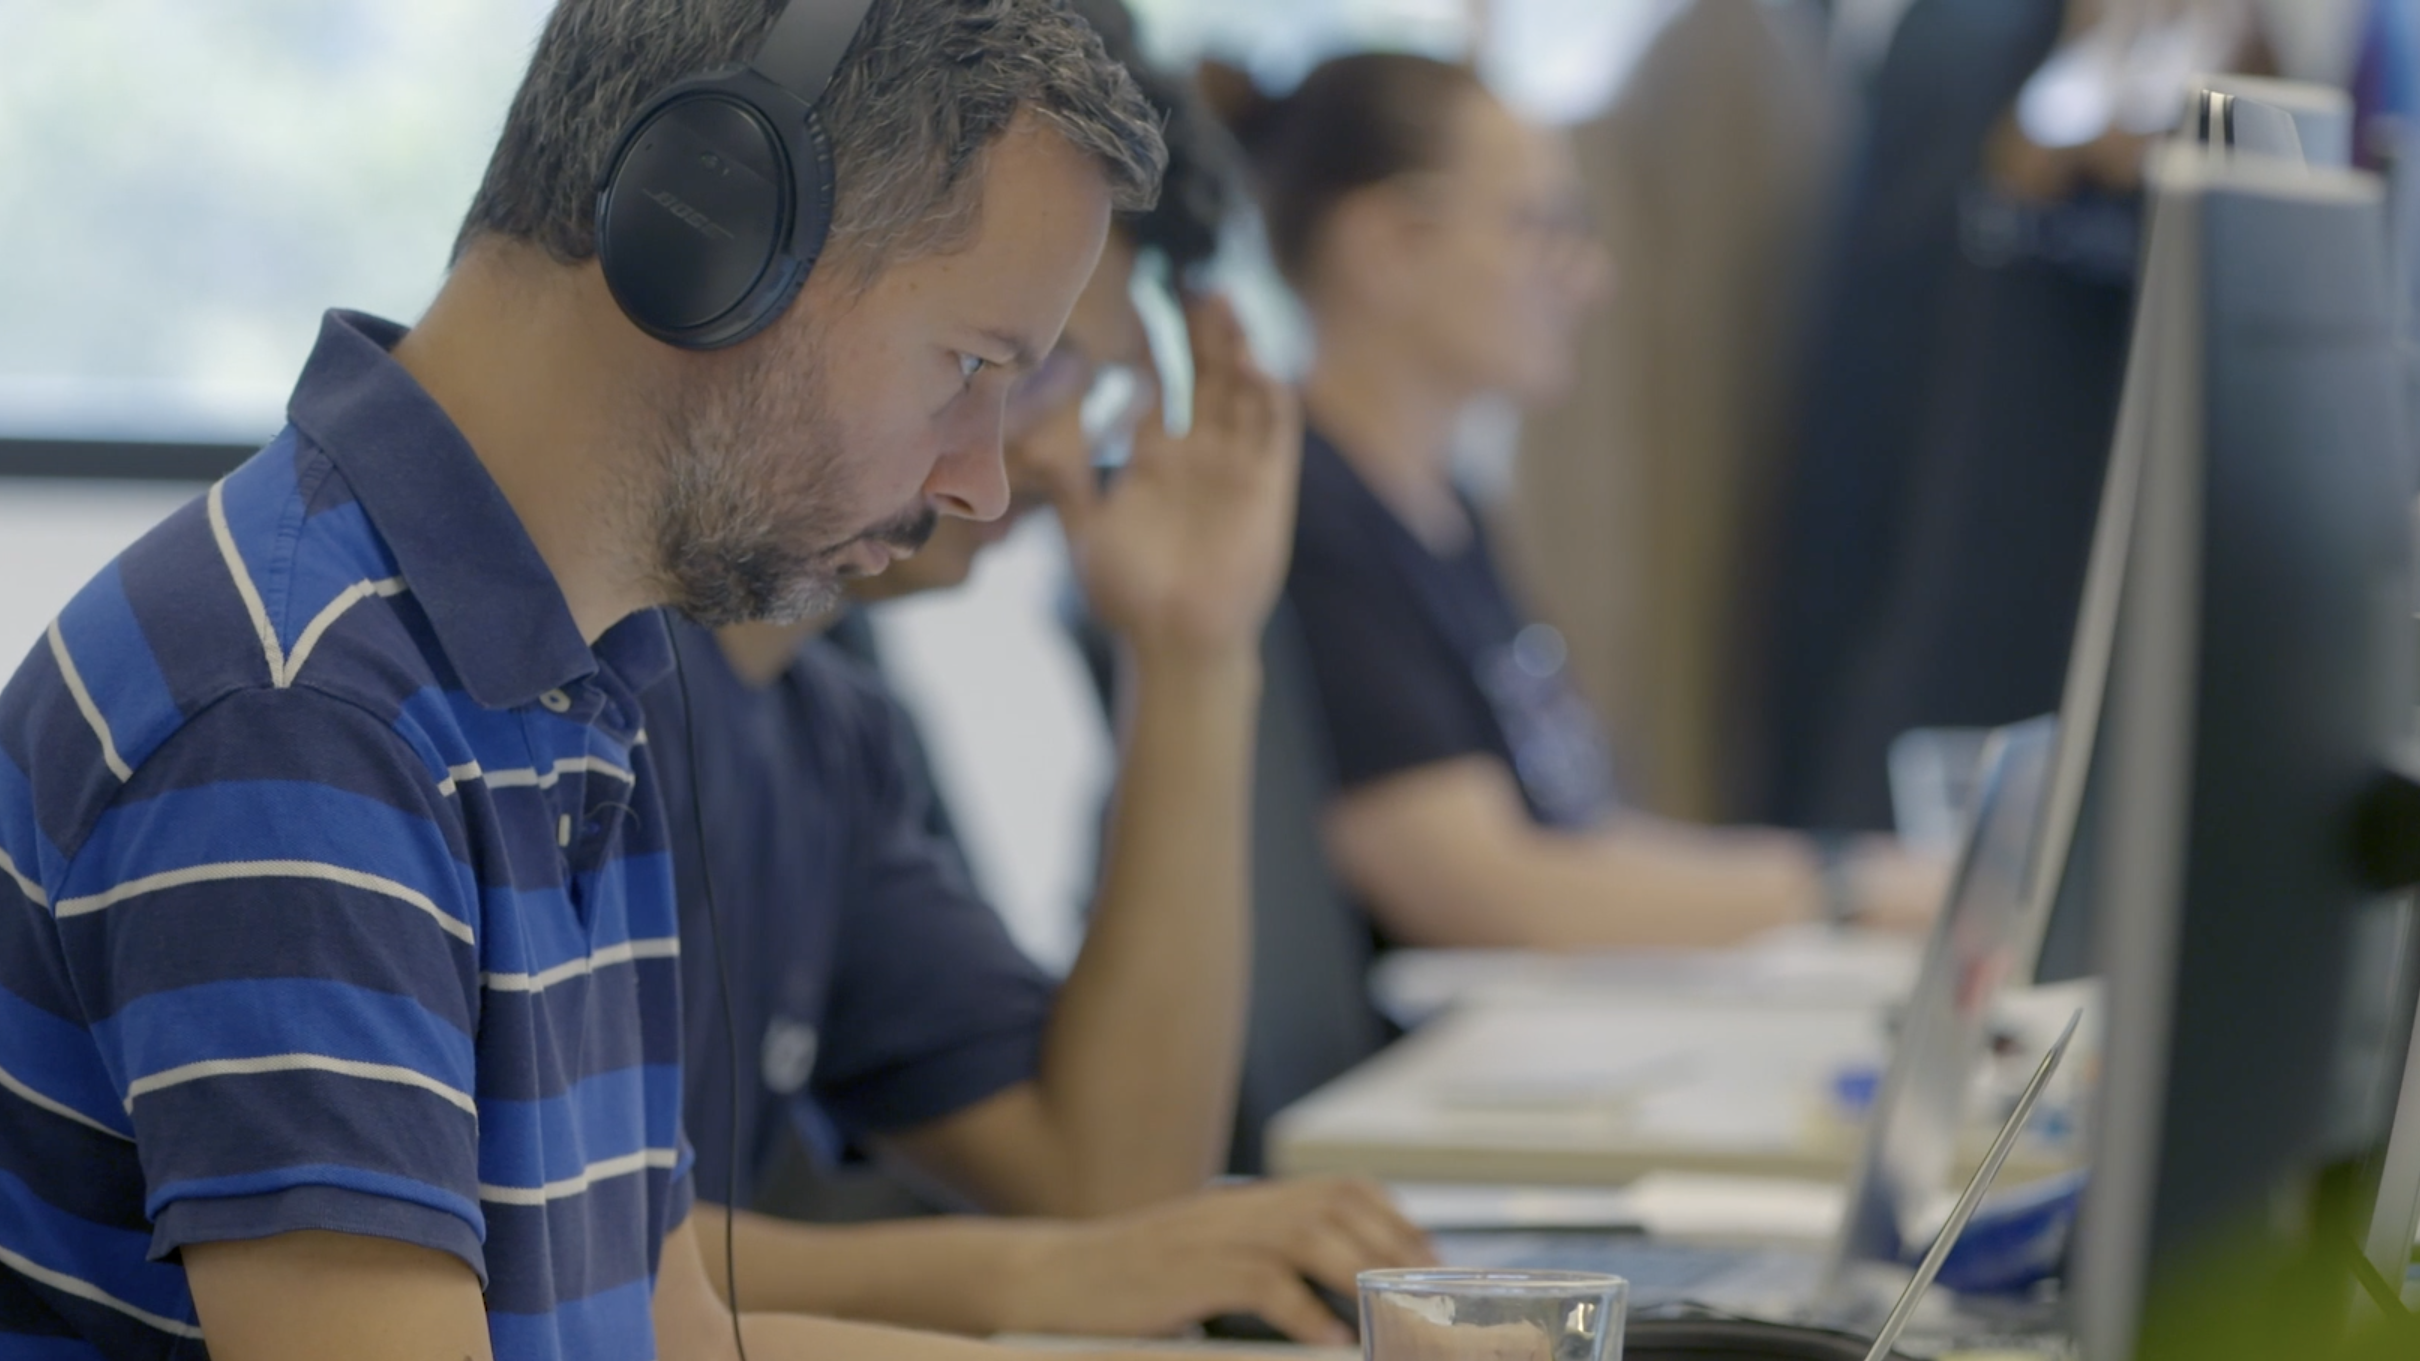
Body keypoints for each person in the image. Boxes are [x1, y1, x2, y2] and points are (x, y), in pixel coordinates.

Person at [0, 2, 1176, 1358]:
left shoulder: (568, 676)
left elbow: (666, 1327)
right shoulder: (296, 719)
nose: (981, 477)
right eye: (968, 367)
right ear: (715, 232)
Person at [652, 27, 1429, 1328]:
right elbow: (546, 1249)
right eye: (1014, 362)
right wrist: (1032, 1275)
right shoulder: (570, 683)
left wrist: (1193, 650)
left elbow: (1107, 1180)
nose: (1053, 464)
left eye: (1086, 390)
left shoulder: (822, 729)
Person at [1202, 54, 1943, 952]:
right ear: (1387, 247)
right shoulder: (1305, 515)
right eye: (1543, 227)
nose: (1591, 279)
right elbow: (1494, 891)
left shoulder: (1440, 508)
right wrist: (1842, 891)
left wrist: (1847, 872)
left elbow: (1578, 833)